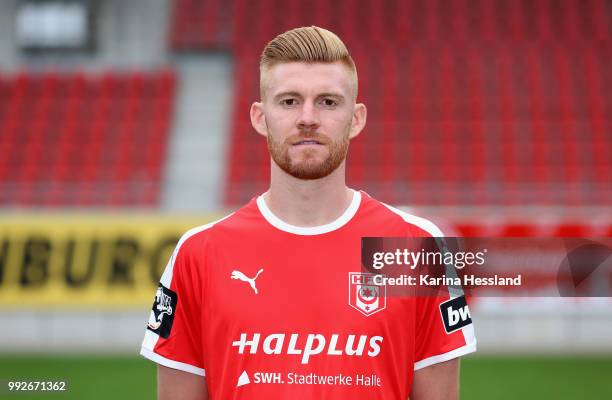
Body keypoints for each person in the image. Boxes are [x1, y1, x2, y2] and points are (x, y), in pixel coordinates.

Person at [141, 26, 476, 399]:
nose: (307, 118)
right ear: (259, 116)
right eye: (288, 101)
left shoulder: (416, 247)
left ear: (357, 118)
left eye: (328, 102)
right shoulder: (198, 254)